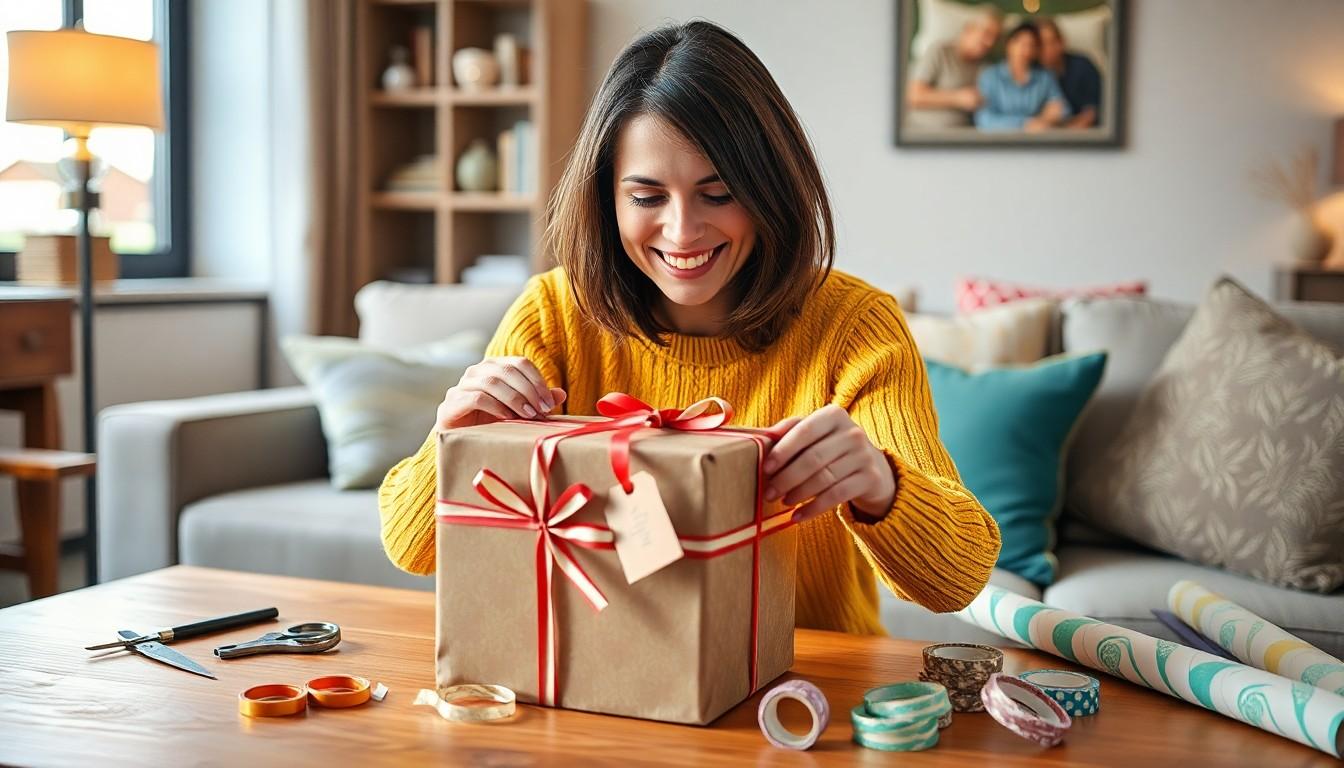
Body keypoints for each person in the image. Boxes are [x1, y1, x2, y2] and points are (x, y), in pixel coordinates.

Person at [379, 21, 1001, 636]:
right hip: (608, 681)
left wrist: (881, 485)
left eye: (719, 192)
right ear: (607, 200)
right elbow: (413, 548)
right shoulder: (554, 315)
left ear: (769, 189)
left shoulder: (853, 326)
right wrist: (449, 441)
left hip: (805, 694)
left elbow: (959, 578)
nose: (682, 232)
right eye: (647, 198)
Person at [905, 7, 1002, 129]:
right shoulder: (940, 52)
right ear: (970, 29)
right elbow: (914, 96)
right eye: (987, 33)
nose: (990, 42)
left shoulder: (988, 67)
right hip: (924, 132)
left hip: (964, 137)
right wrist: (958, 98)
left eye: (996, 38)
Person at [974, 22, 1071, 132]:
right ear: (1008, 45)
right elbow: (984, 120)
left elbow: (1063, 109)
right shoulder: (990, 76)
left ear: (1036, 51)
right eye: (1020, 43)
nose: (1025, 50)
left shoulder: (1044, 77)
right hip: (998, 143)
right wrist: (1025, 124)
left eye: (1031, 45)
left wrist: (1049, 118)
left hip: (1035, 143)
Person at [1038, 17, 1102, 129]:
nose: (1043, 49)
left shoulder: (1082, 66)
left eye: (1048, 42)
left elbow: (1093, 111)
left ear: (1061, 43)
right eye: (1038, 44)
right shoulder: (1032, 72)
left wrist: (1066, 133)